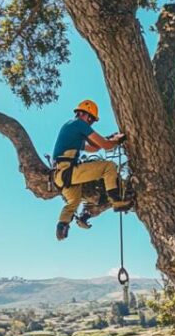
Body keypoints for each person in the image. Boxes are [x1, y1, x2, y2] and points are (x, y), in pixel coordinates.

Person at [51, 99, 132, 240]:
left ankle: (62, 225)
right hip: (69, 171)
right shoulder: (79, 124)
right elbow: (106, 146)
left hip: (60, 175)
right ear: (86, 115)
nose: (91, 123)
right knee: (109, 167)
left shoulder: (71, 129)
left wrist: (109, 139)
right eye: (92, 120)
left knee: (73, 203)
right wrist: (117, 140)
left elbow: (95, 147)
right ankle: (116, 201)